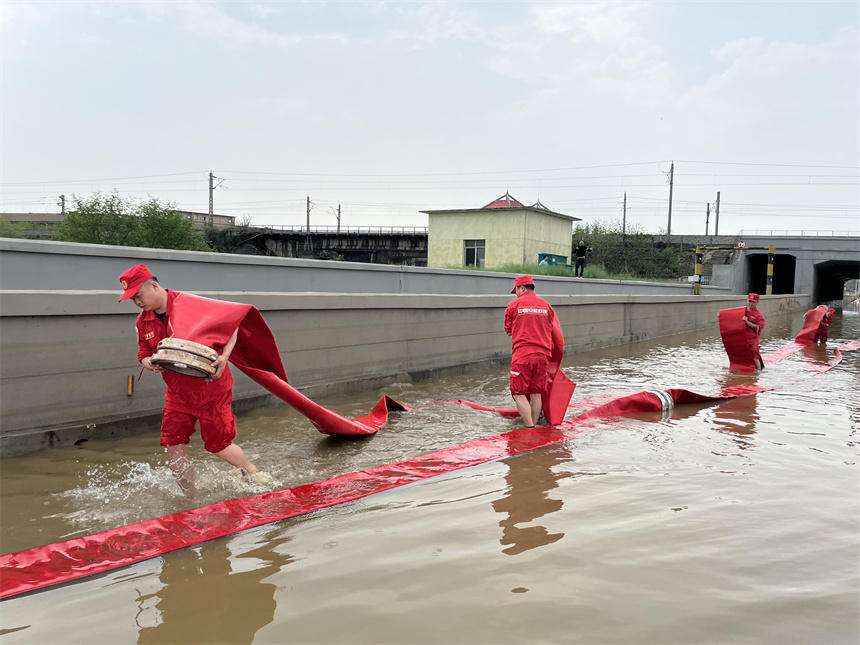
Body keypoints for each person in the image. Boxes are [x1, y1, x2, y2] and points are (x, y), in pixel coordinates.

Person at [119, 264, 256, 498]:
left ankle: (251, 471)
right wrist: (146, 362)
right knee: (172, 442)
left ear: (154, 285)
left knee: (218, 446)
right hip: (177, 393)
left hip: (211, 389)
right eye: (132, 299)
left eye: (139, 296)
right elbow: (143, 352)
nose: (137, 303)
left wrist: (224, 357)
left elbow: (231, 323)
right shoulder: (143, 322)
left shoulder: (189, 304)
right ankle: (190, 498)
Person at [504, 275, 563, 428]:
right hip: (543, 356)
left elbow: (509, 331)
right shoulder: (547, 306)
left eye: (516, 290)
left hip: (522, 356)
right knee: (536, 392)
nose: (515, 294)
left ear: (522, 287)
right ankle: (536, 425)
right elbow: (553, 330)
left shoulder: (513, 306)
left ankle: (529, 427)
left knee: (518, 393)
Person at [741, 293, 766, 370]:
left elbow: (759, 327)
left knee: (755, 356)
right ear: (747, 301)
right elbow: (730, 315)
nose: (751, 303)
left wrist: (747, 322)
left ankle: (758, 373)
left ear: (757, 302)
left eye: (753, 302)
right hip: (742, 338)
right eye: (749, 301)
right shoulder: (742, 310)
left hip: (753, 339)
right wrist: (721, 315)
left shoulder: (759, 315)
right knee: (741, 356)